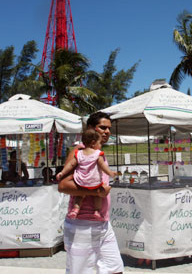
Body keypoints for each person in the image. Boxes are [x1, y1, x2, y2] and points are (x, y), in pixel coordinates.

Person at [58, 112, 124, 274]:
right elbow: (63, 185)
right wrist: (97, 192)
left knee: (114, 269)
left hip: (102, 224)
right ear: (90, 129)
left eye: (109, 128)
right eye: (102, 127)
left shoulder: (98, 153)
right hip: (82, 225)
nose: (107, 131)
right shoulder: (79, 151)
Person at [57, 129, 117, 219]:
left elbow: (71, 164)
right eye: (99, 143)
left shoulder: (79, 153)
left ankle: (76, 209)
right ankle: (97, 211)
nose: (100, 145)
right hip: (94, 181)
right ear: (93, 143)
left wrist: (62, 172)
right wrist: (110, 173)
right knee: (97, 197)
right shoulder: (97, 154)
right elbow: (102, 166)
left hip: (81, 180)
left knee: (80, 195)